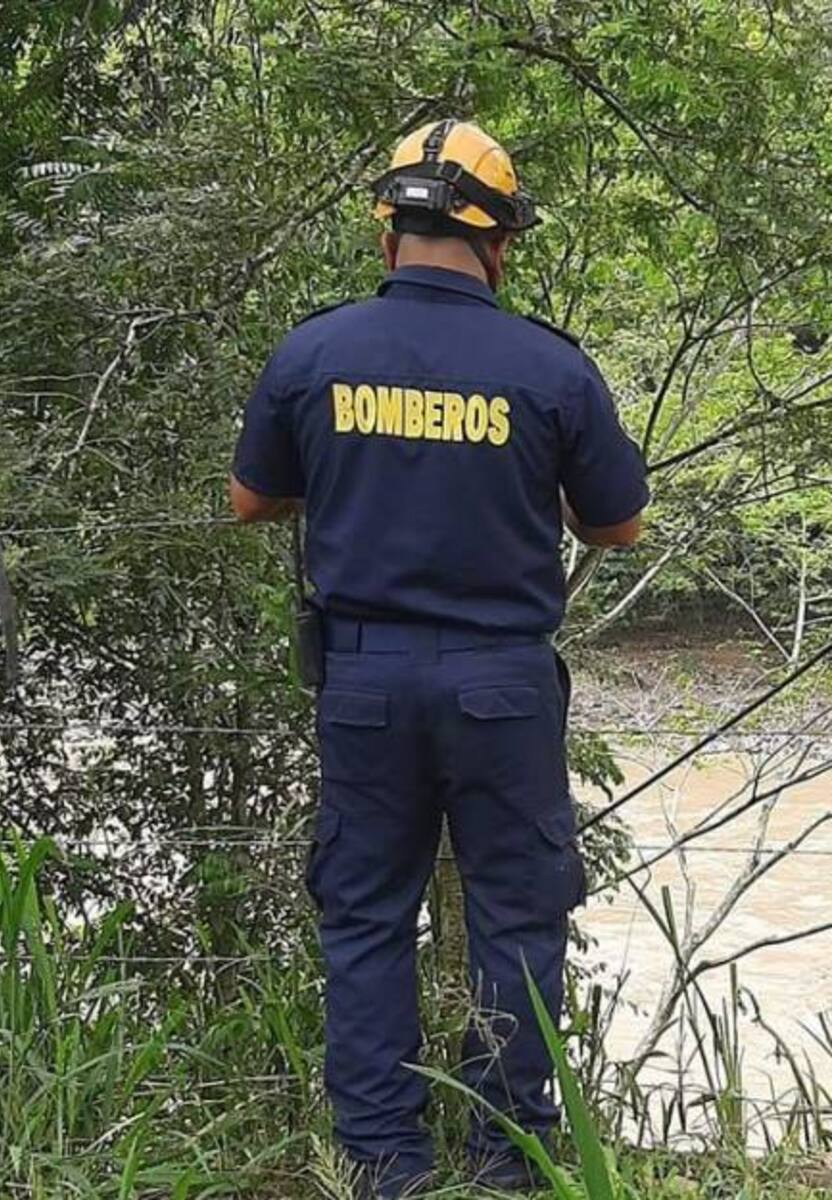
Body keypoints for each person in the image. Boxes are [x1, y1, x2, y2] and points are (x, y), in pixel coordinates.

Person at [228, 119, 648, 1198]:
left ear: (388, 236)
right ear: (498, 245)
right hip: (503, 685)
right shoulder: (550, 368)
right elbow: (617, 525)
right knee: (518, 919)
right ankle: (507, 1162)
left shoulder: (314, 355)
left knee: (366, 918)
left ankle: (383, 1166)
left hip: (365, 683)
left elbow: (249, 500)